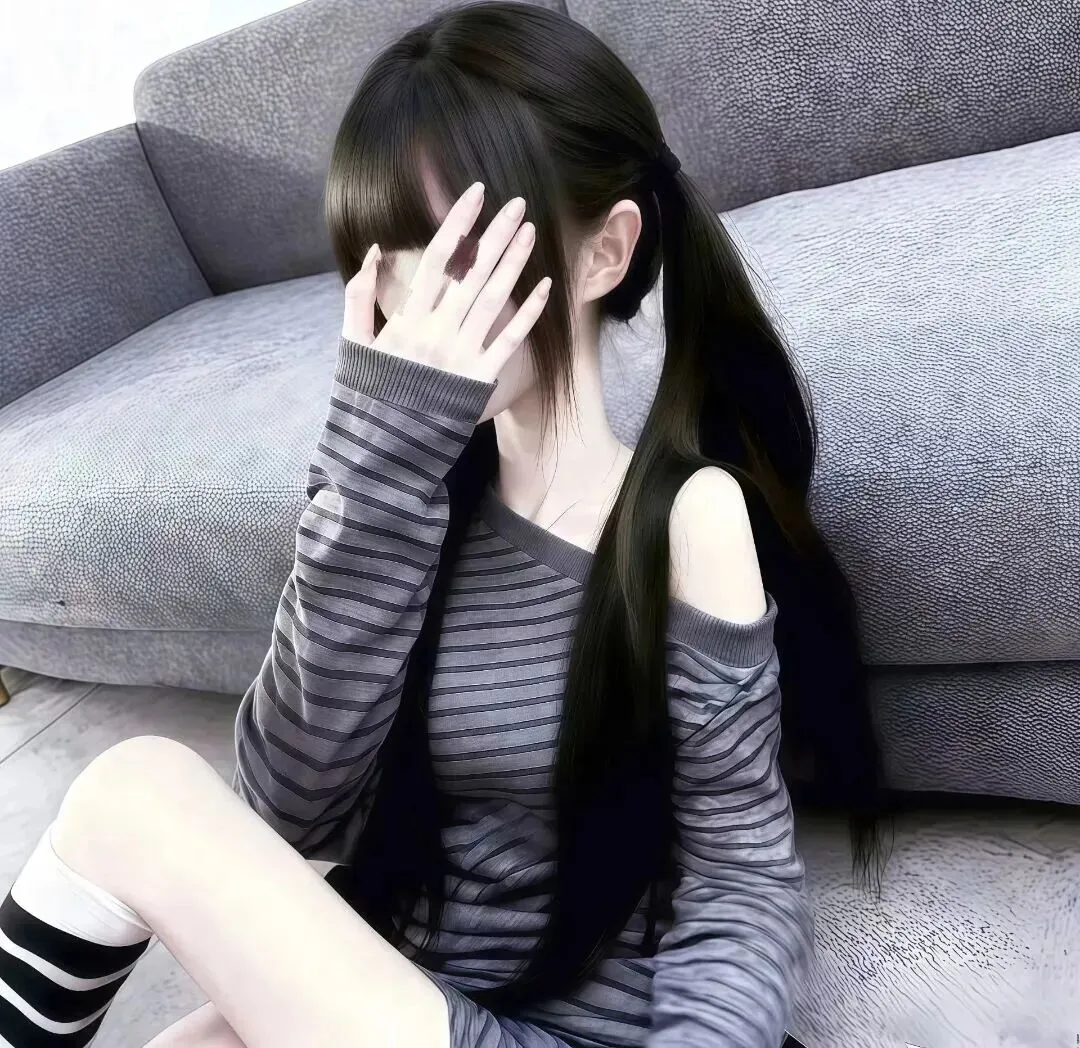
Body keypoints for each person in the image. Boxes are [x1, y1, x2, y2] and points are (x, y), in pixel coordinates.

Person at [0, 3, 887, 1046]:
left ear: (603, 253)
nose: (412, 304)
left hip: (572, 1029)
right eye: (379, 261)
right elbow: (287, 806)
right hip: (410, 991)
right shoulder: (403, 500)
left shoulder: (686, 518)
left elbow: (740, 879)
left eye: (458, 254)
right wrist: (378, 465)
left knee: (134, 791)